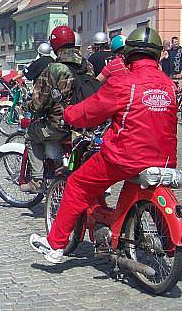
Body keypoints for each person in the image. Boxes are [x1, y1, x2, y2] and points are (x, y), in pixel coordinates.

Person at [30, 27, 177, 264]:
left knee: (77, 184)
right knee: (130, 193)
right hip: (164, 159)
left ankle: (55, 244)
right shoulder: (170, 85)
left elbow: (91, 110)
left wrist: (69, 115)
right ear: (158, 54)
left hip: (125, 157)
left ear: (128, 53)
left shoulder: (123, 83)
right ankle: (123, 234)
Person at [21, 26, 94, 194]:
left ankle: (37, 180)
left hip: (61, 125)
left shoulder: (53, 69)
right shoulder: (87, 65)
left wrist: (28, 106)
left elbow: (39, 102)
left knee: (31, 134)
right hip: (86, 124)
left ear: (55, 45)